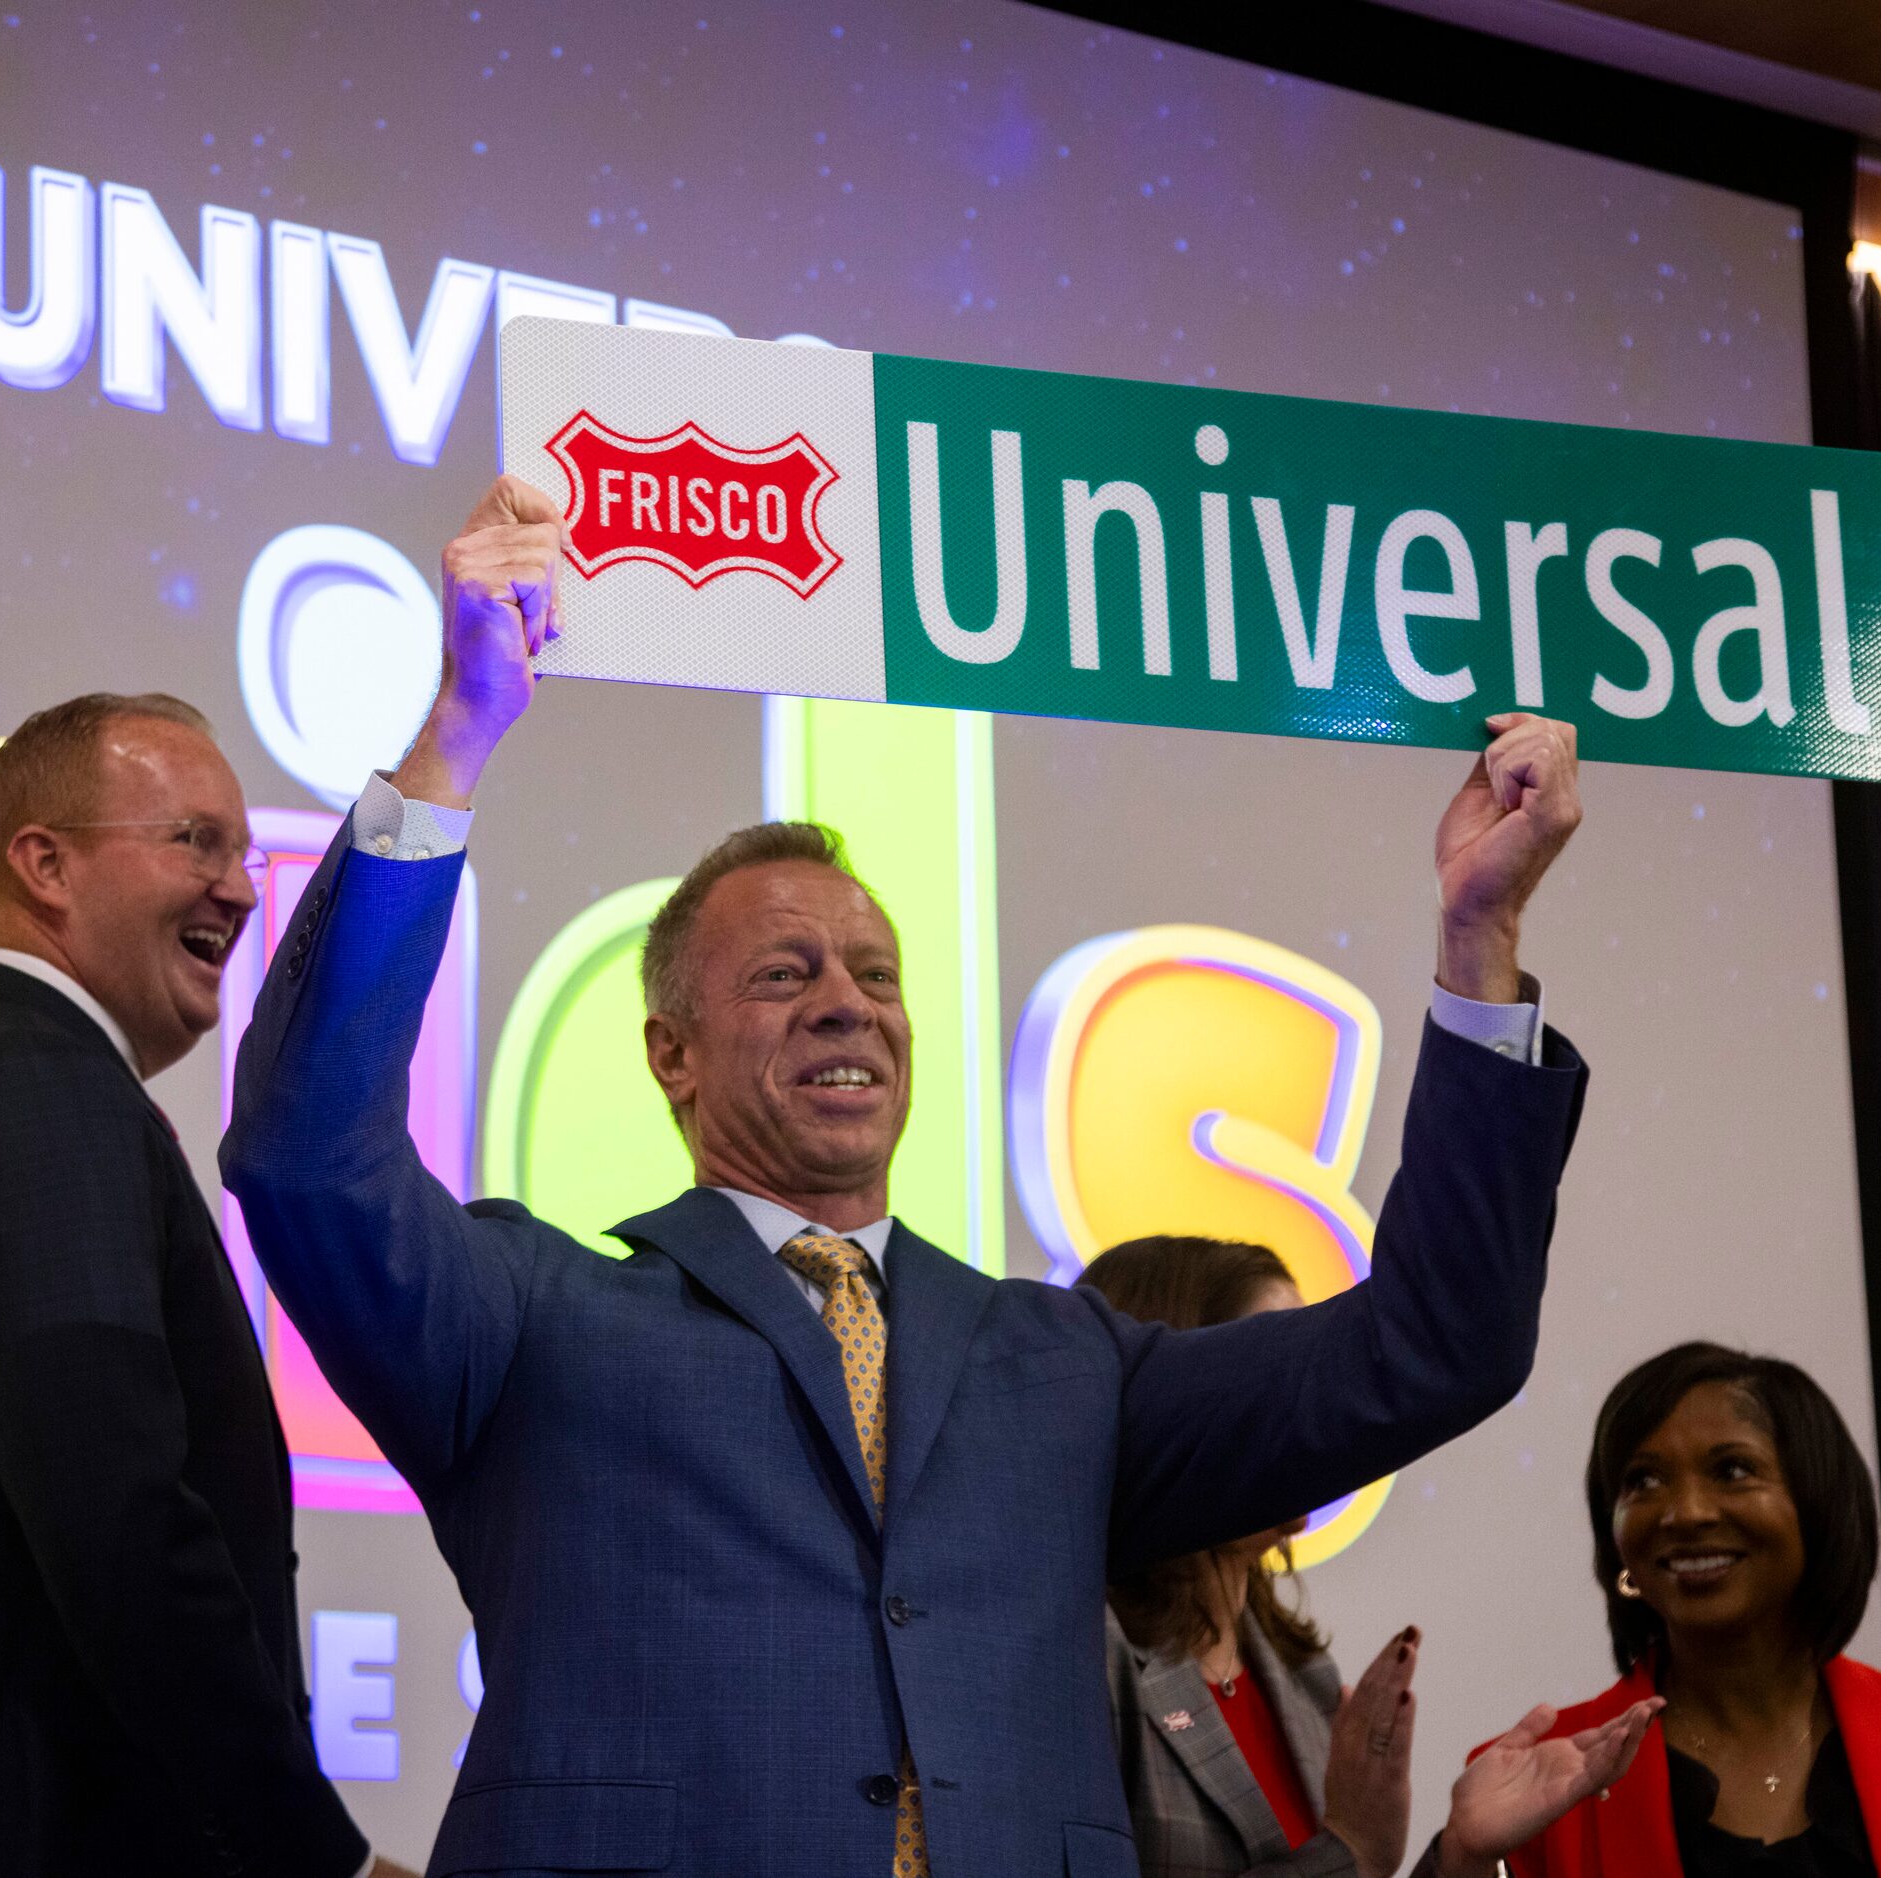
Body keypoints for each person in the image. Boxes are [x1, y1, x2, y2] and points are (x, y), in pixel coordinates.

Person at [219, 474, 1593, 1877]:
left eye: (876, 974)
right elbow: (302, 1155)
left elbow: (1440, 1344)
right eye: (782, 974)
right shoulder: (529, 1319)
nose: (846, 1003)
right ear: (670, 1054)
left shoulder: (1068, 1369)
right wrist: (459, 733)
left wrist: (1480, 940)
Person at [0, 694, 402, 1878]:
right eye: (192, 840)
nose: (242, 891)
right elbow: (115, 1509)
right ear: (43, 864)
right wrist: (313, 1856)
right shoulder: (40, 1095)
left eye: (240, 852)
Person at [1088, 1237, 1651, 1878]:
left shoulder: (1302, 1674)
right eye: (1276, 1384)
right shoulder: (1083, 1660)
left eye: (1316, 1381)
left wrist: (1463, 1855)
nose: (1316, 1420)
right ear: (1172, 1405)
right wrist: (1349, 1849)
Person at [1424, 1343, 1881, 1878]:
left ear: (1817, 1506)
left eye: (1732, 1471)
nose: (1685, 1513)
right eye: (1643, 1481)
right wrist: (1462, 1862)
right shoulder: (1541, 1787)